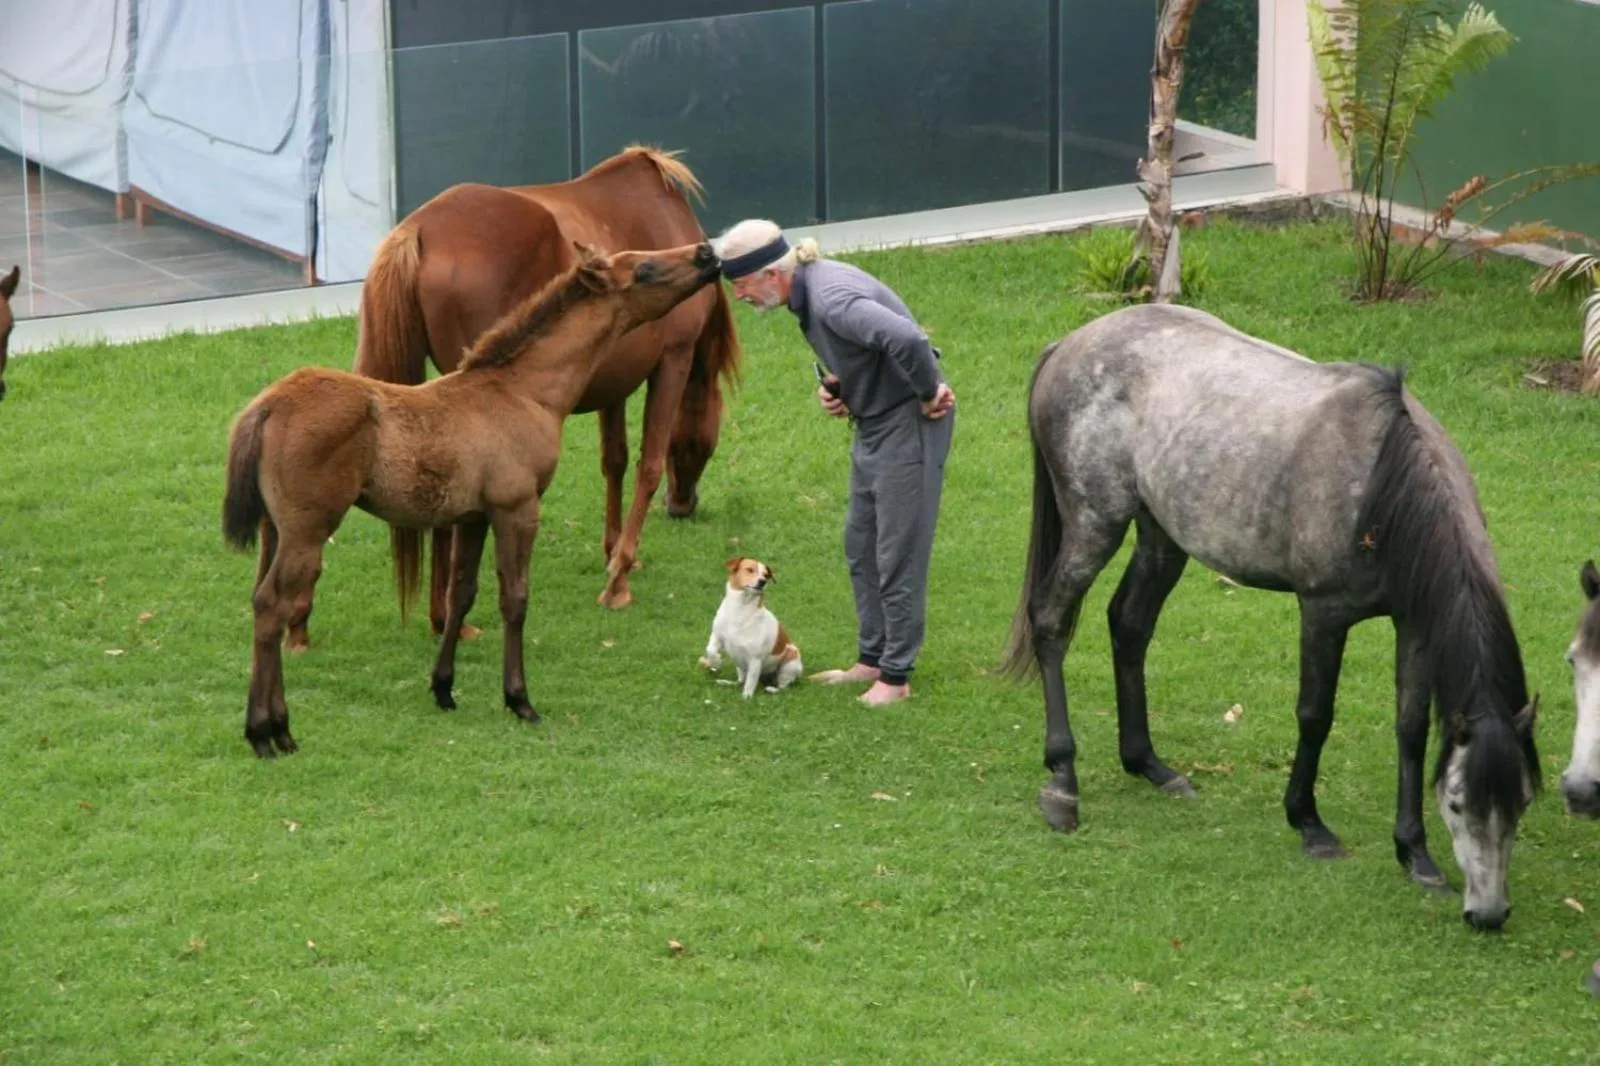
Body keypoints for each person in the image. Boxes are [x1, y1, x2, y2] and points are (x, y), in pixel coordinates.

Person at [713, 219, 955, 706]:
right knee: (861, 543)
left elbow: (906, 339)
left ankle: (896, 676)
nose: (738, 296)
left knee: (897, 551)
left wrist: (929, 393)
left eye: (739, 284)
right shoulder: (806, 295)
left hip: (906, 425)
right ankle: (871, 659)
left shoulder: (832, 298)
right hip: (873, 424)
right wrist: (837, 385)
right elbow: (860, 351)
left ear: (770, 274)